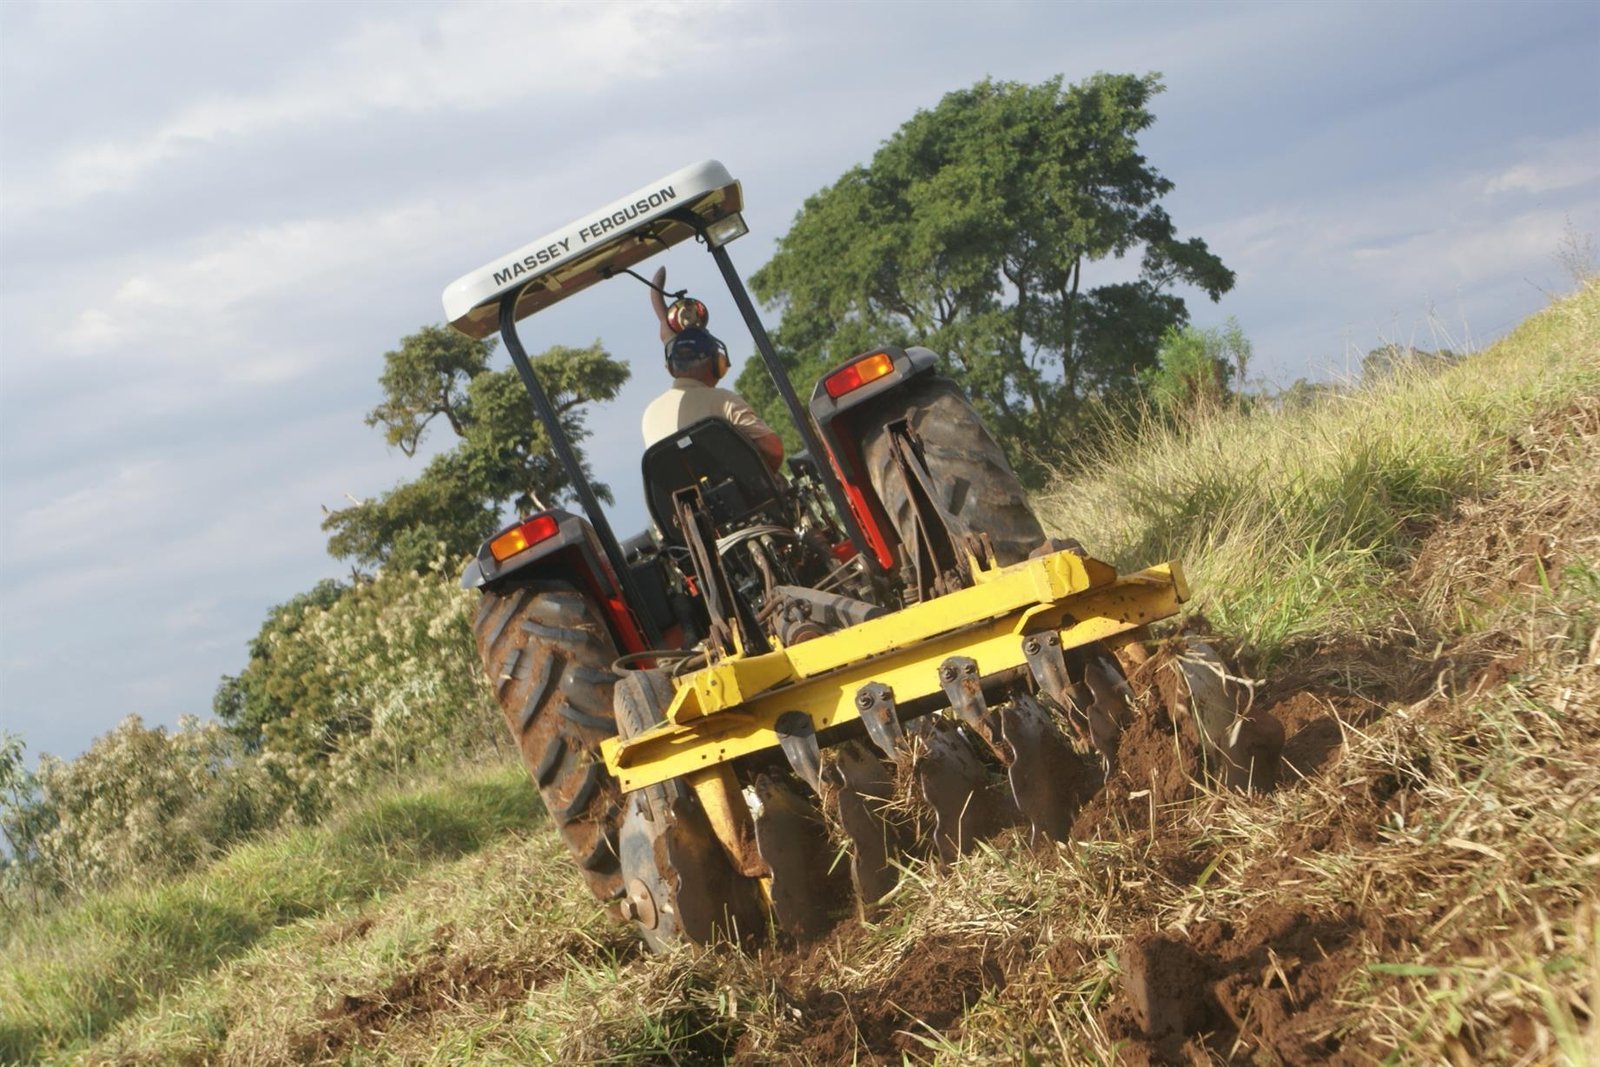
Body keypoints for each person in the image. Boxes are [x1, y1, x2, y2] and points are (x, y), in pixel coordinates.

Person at [639, 268, 785, 473]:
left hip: (683, 505)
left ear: (672, 367)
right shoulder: (723, 401)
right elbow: (773, 450)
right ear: (716, 363)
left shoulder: (650, 415)